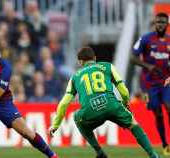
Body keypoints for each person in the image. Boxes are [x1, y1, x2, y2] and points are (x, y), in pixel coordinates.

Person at [48, 47, 159, 158]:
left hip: (90, 110)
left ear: (80, 62)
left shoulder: (74, 77)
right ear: (95, 58)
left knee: (77, 118)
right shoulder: (108, 66)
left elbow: (64, 103)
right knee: (133, 124)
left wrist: (55, 125)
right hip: (111, 105)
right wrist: (126, 104)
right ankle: (153, 155)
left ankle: (99, 152)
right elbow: (123, 90)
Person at [131, 12, 170, 155]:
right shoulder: (146, 39)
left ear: (167, 24)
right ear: (154, 23)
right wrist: (148, 66)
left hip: (165, 82)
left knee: (169, 107)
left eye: (163, 22)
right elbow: (132, 58)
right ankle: (165, 144)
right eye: (158, 22)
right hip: (149, 84)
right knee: (158, 113)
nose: (160, 24)